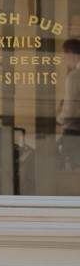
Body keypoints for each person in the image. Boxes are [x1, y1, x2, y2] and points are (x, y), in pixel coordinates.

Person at [56, 38, 80, 169]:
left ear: (71, 53)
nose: (65, 61)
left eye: (65, 57)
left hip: (75, 132)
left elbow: (70, 113)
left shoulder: (74, 77)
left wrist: (59, 117)